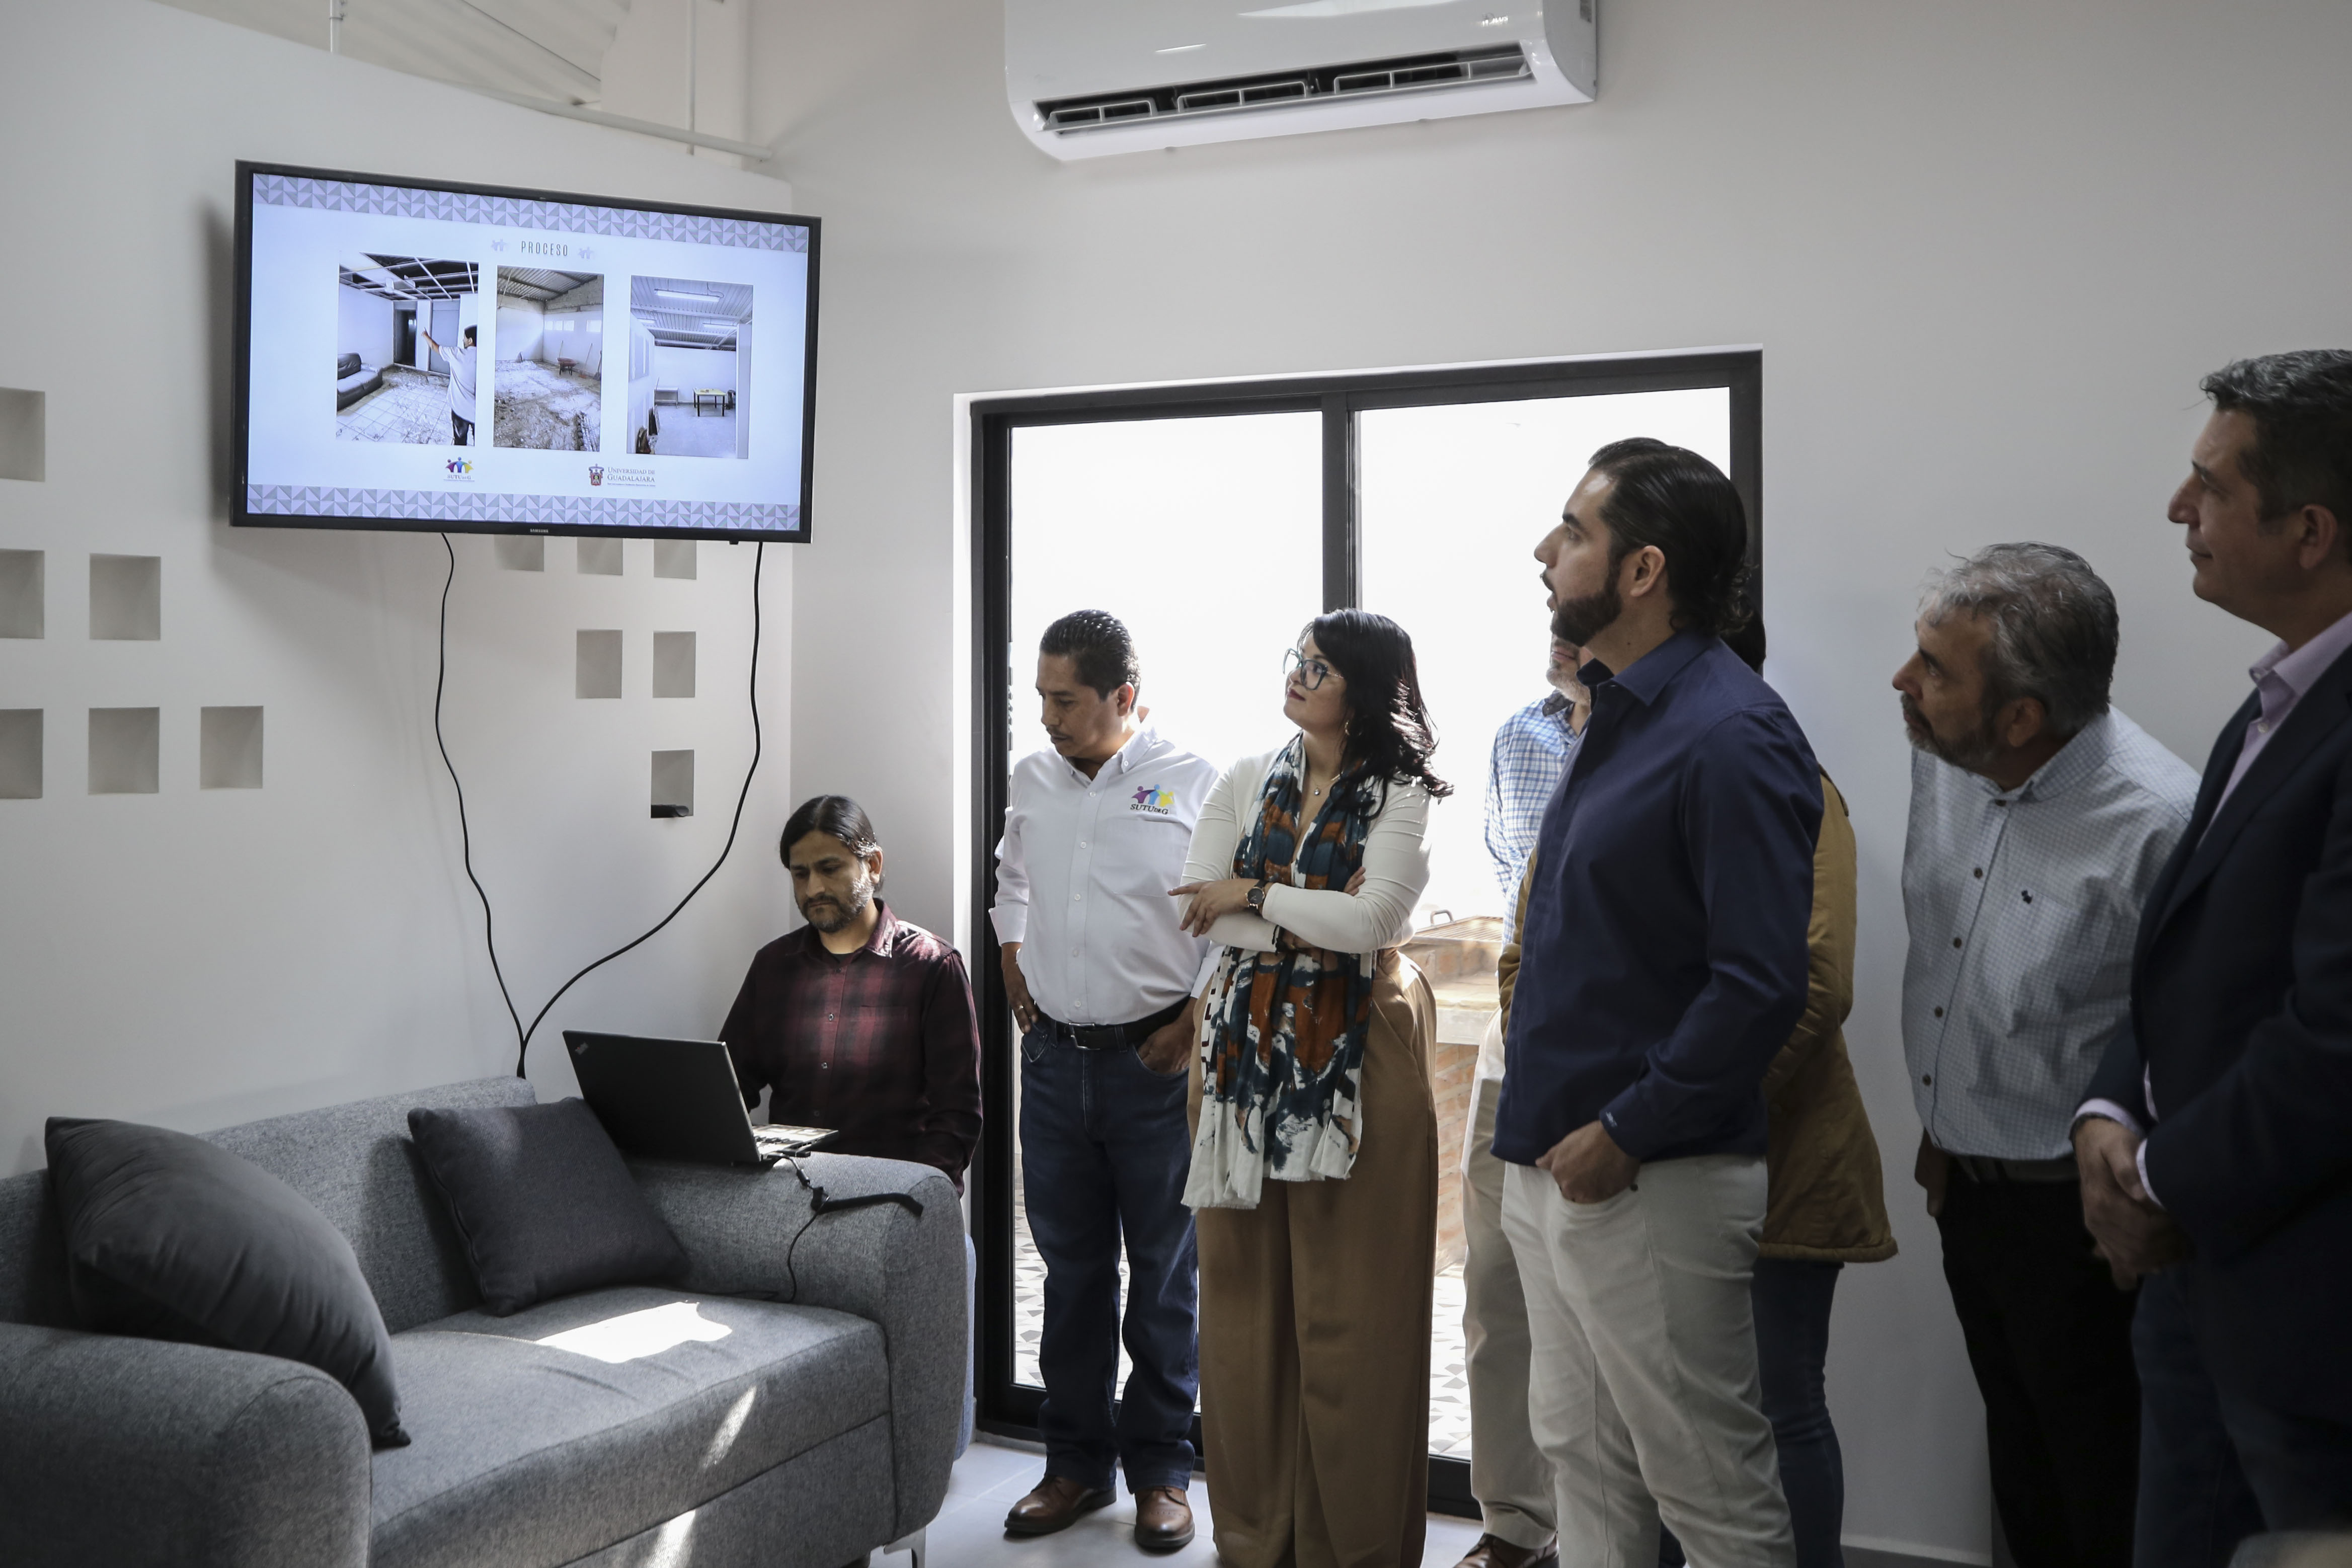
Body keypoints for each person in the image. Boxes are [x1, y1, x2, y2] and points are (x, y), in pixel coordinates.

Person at [1498, 436, 1818, 1566]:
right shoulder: (1617, 710)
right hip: (1553, 1159)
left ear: (1642, 571)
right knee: (1581, 1464)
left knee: (1710, 1491)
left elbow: (1761, 981)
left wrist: (1626, 1130)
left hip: (1648, 1172)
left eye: (1573, 531)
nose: (1544, 551)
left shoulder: (1731, 731)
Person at [2076, 350, 2352, 1557]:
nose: (2175, 508)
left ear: (2309, 532)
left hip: (2309, 1312)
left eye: (2210, 486)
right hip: (2204, 1282)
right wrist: (2107, 1103)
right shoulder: (2274, 701)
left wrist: (2158, 1178)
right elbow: (2182, 952)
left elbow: (2335, 1038)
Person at [1893, 542, 2197, 1568]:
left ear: (2020, 718)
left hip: (2082, 1222)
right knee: (2020, 1472)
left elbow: (2185, 1039)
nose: (1902, 681)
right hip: (1966, 1187)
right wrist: (1946, 1123)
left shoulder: (2159, 823)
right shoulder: (1948, 757)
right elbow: (1957, 963)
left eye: (1934, 667)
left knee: (2101, 1488)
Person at [1171, 609, 1444, 1568]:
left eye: (1319, 667)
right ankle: (1255, 1537)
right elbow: (1198, 911)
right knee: (1242, 1314)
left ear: (1363, 691)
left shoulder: (1402, 791)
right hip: (1238, 1063)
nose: (1297, 674)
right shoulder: (1245, 777)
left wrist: (1253, 893)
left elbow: (1373, 924)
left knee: (1355, 1315)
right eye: (1297, 657)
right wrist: (1297, 915)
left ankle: (1352, 1546)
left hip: (1359, 1058)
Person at [1645, 618, 1896, 1568]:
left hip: (1774, 1154)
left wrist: (1667, 1109)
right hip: (1652, 1147)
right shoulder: (1631, 776)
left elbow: (1813, 984)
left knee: (1775, 1403)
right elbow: (1538, 955)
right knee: (1666, 1411)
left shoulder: (1790, 781)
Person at [991, 611, 1217, 1554]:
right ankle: (1074, 1465)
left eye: (1065, 700)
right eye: (1040, 698)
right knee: (1072, 1275)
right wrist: (1011, 957)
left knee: (1163, 1277)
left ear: (1122, 697)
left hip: (1153, 1066)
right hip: (1052, 1064)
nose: (1048, 718)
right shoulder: (1032, 778)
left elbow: (1225, 921)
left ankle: (1161, 1471)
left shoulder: (1194, 782)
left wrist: (1191, 1022)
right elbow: (1011, 881)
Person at [1451, 636, 1588, 1568]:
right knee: (1495, 1290)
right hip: (1513, 1042)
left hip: (1612, 1054)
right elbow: (1512, 881)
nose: (1557, 617)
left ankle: (1607, 1536)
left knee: (1599, 1305)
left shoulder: (1668, 736)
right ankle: (1513, 1526)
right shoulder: (1517, 737)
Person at [720, 795, 982, 1192]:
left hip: (888, 1195)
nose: (814, 888)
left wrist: (917, 1200)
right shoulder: (773, 966)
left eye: (830, 869)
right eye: (800, 874)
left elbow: (957, 1115)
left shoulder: (932, 966)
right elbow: (730, 1087)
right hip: (788, 1193)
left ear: (873, 865)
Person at [419, 321, 477, 445]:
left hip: (460, 410)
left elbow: (434, 347)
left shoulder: (457, 354)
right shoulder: (485, 358)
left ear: (470, 340)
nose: (463, 340)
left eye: (465, 338)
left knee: (460, 442)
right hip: (479, 412)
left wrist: (425, 335)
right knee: (479, 443)